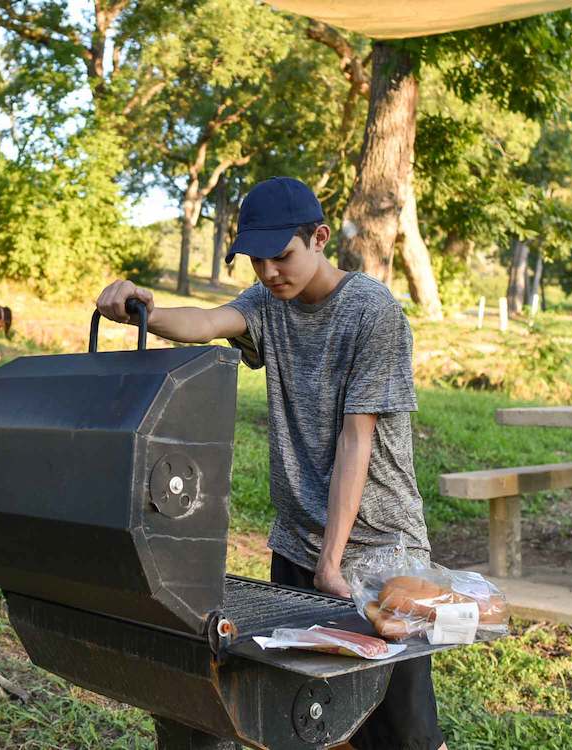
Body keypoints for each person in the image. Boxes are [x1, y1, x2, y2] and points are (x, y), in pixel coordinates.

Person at [95, 177, 443, 750]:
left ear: (321, 239)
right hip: (298, 545)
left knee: (403, 733)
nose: (269, 272)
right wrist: (144, 309)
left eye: (281, 256)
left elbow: (356, 443)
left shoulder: (372, 313)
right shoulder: (267, 303)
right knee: (307, 723)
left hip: (380, 551)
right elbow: (207, 325)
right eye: (256, 261)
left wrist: (333, 565)